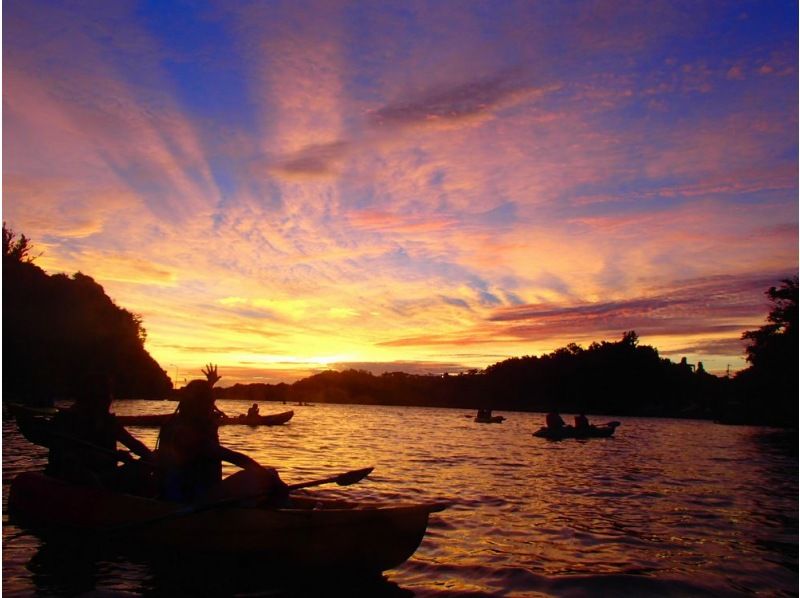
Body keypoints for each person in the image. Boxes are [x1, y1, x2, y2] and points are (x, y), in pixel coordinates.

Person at [156, 364, 287, 504]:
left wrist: (210, 383)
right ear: (200, 405)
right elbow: (234, 458)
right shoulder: (186, 433)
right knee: (267, 475)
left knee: (267, 476)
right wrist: (267, 476)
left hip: (189, 494)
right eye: (210, 403)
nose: (212, 408)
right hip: (194, 499)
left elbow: (199, 397)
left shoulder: (174, 423)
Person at [46, 373, 154, 493]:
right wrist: (113, 456)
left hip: (106, 477)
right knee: (77, 469)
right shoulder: (67, 419)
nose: (109, 399)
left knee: (143, 468)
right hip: (80, 480)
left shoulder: (108, 421)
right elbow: (67, 456)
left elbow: (133, 444)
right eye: (105, 394)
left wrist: (152, 458)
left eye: (109, 394)